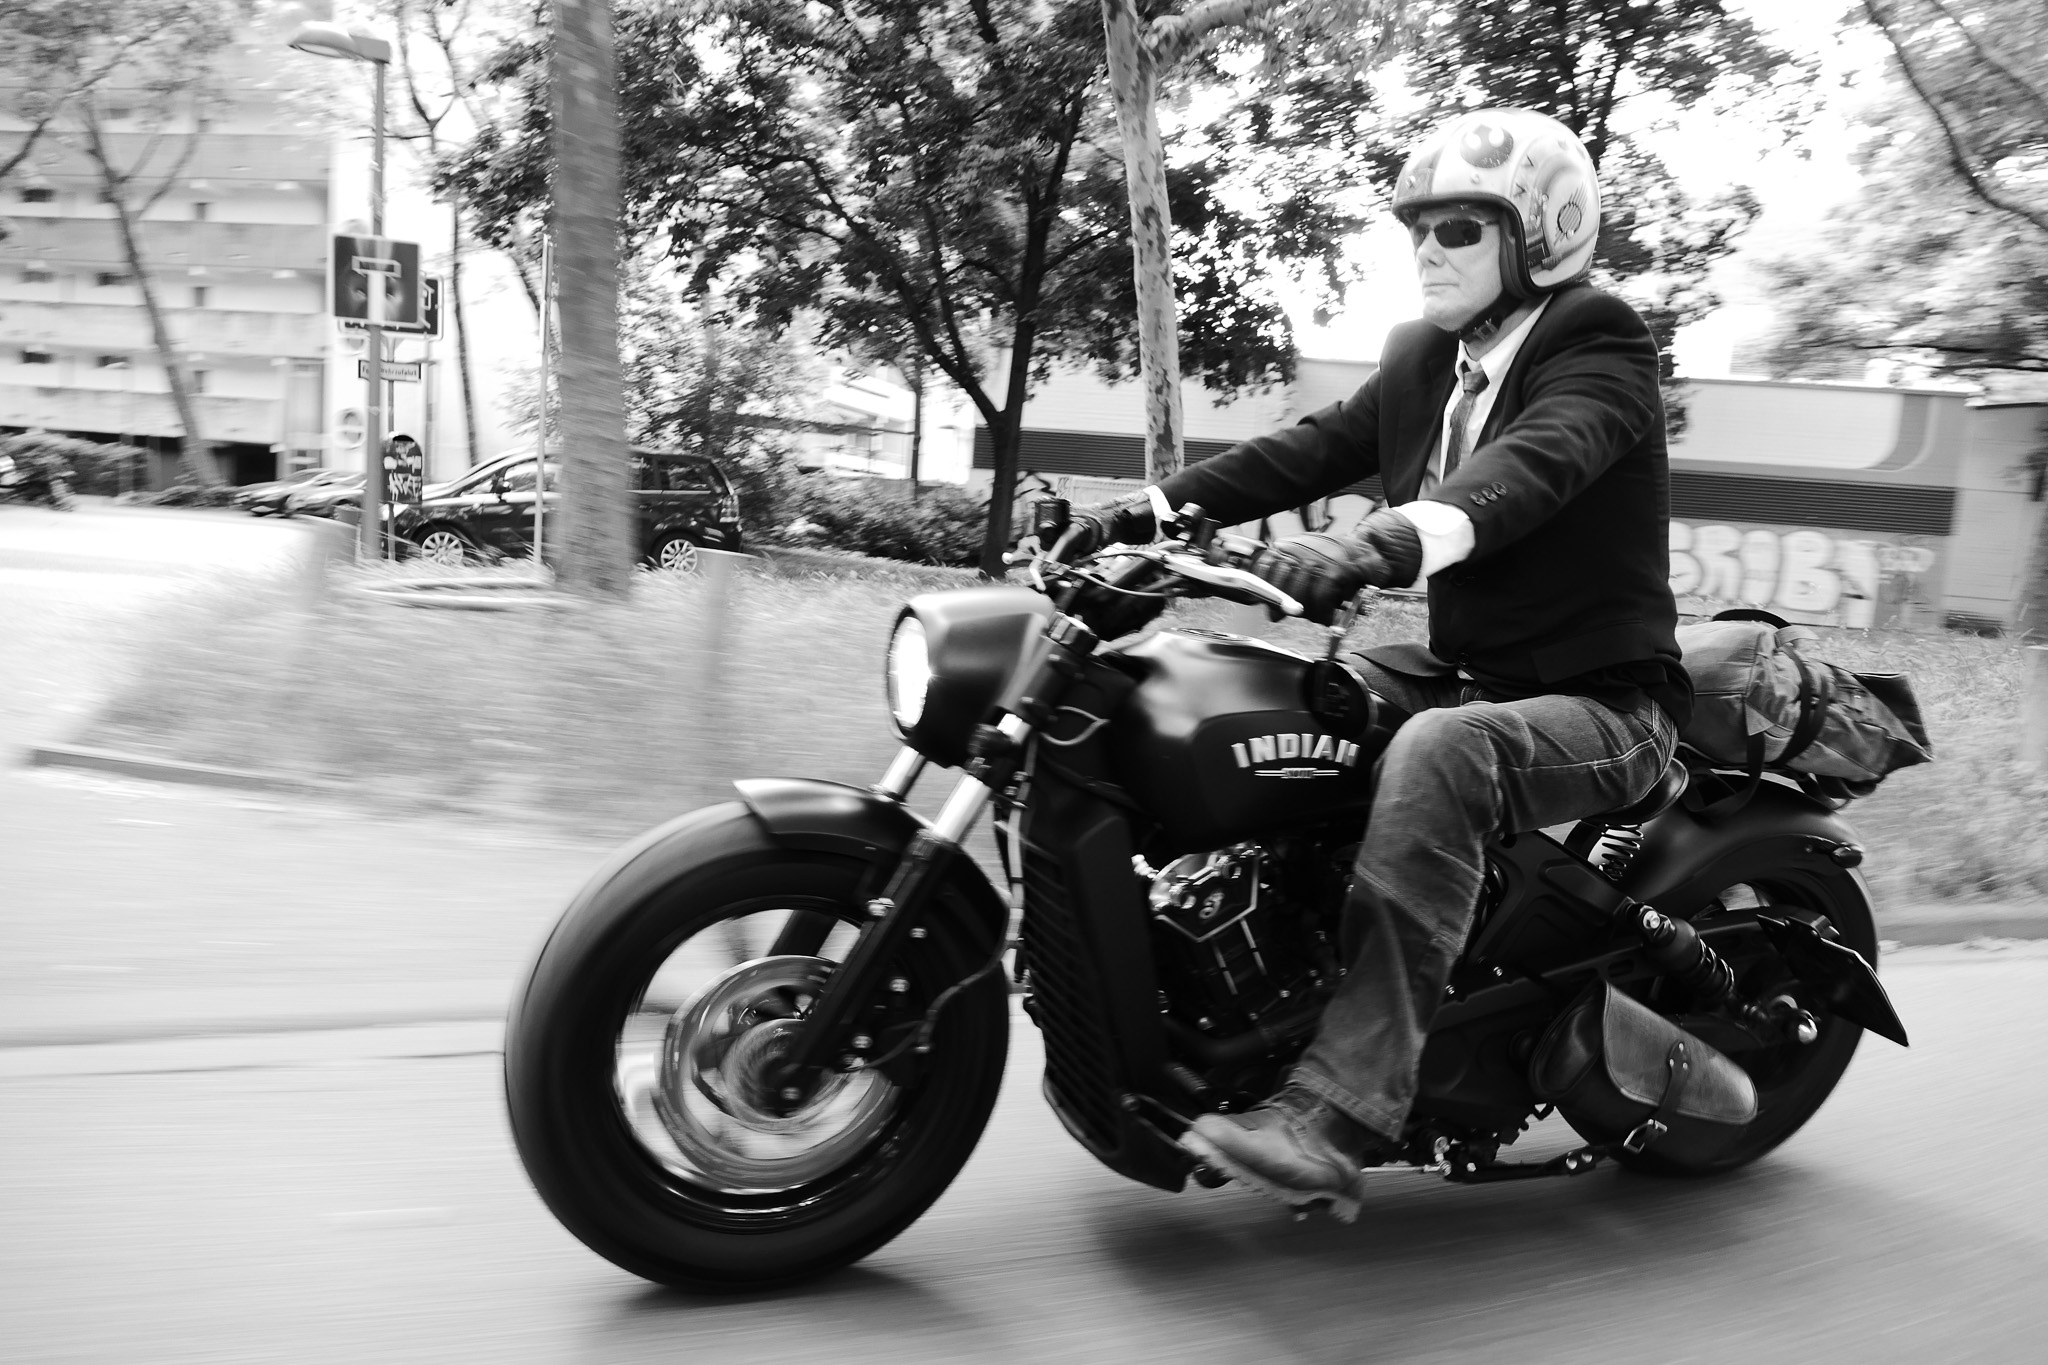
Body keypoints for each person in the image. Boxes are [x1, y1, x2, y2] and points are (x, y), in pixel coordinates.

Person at [1057, 107, 1692, 1221]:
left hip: (1603, 703)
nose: (1427, 250)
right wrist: (1138, 515)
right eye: (1417, 229)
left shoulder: (1597, 343)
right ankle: (1241, 993)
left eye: (1459, 229)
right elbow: (1300, 452)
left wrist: (1372, 544)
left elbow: (1528, 469)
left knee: (1442, 751)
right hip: (1473, 670)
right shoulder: (1422, 359)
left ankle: (1335, 1113)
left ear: (1541, 234)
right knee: (1255, 695)